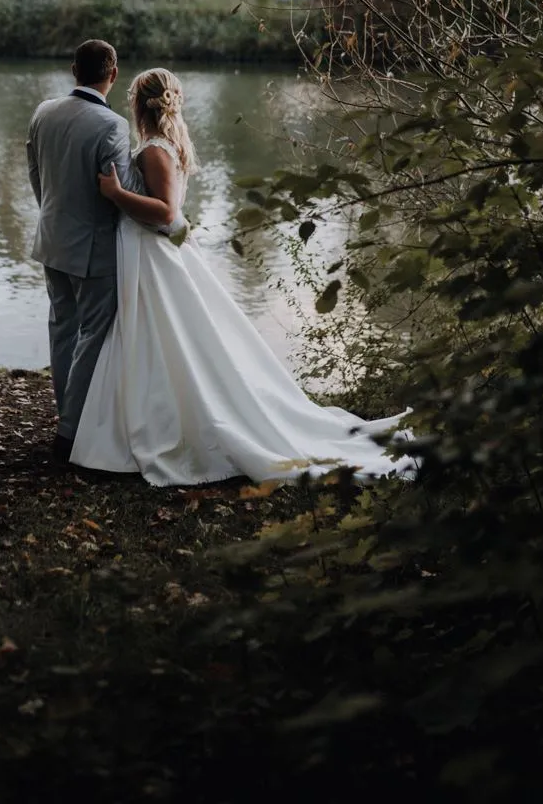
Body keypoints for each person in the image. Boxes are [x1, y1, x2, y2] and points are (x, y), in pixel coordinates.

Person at [69, 67, 411, 486]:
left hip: (154, 256)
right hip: (151, 253)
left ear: (140, 105)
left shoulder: (155, 150)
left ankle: (161, 427)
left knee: (160, 338)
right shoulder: (162, 145)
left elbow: (166, 213)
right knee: (155, 339)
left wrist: (117, 194)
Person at [26, 39, 145, 463]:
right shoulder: (111, 125)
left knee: (62, 330)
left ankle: (67, 418)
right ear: (113, 75)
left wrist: (54, 213)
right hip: (94, 250)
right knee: (91, 337)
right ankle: (70, 433)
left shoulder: (44, 111)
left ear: (74, 69)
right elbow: (124, 190)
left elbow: (35, 172)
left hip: (52, 239)